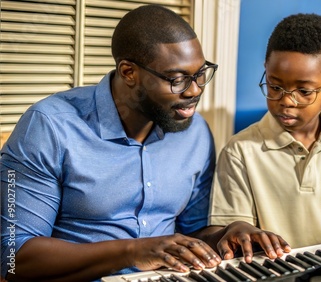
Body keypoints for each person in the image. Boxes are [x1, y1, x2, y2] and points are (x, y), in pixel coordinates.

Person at [0, 5, 288, 281]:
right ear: (129, 72)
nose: (195, 90)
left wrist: (228, 232)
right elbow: (13, 258)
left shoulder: (195, 131)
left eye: (200, 74)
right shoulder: (48, 126)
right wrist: (131, 252)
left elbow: (192, 232)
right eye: (177, 79)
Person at [209, 13, 321, 249]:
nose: (287, 101)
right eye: (275, 86)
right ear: (266, 70)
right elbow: (235, 229)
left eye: (304, 92)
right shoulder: (240, 151)